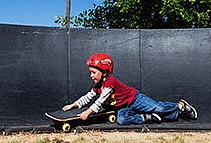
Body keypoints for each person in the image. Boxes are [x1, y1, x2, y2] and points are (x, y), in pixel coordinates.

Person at [62, 52, 198, 125]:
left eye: (94, 72)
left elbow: (100, 101)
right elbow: (88, 96)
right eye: (90, 73)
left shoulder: (110, 82)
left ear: (104, 72)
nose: (91, 76)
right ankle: (146, 118)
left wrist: (88, 112)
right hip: (124, 106)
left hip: (135, 99)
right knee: (122, 120)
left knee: (159, 108)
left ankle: (180, 106)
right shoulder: (98, 85)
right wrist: (73, 105)